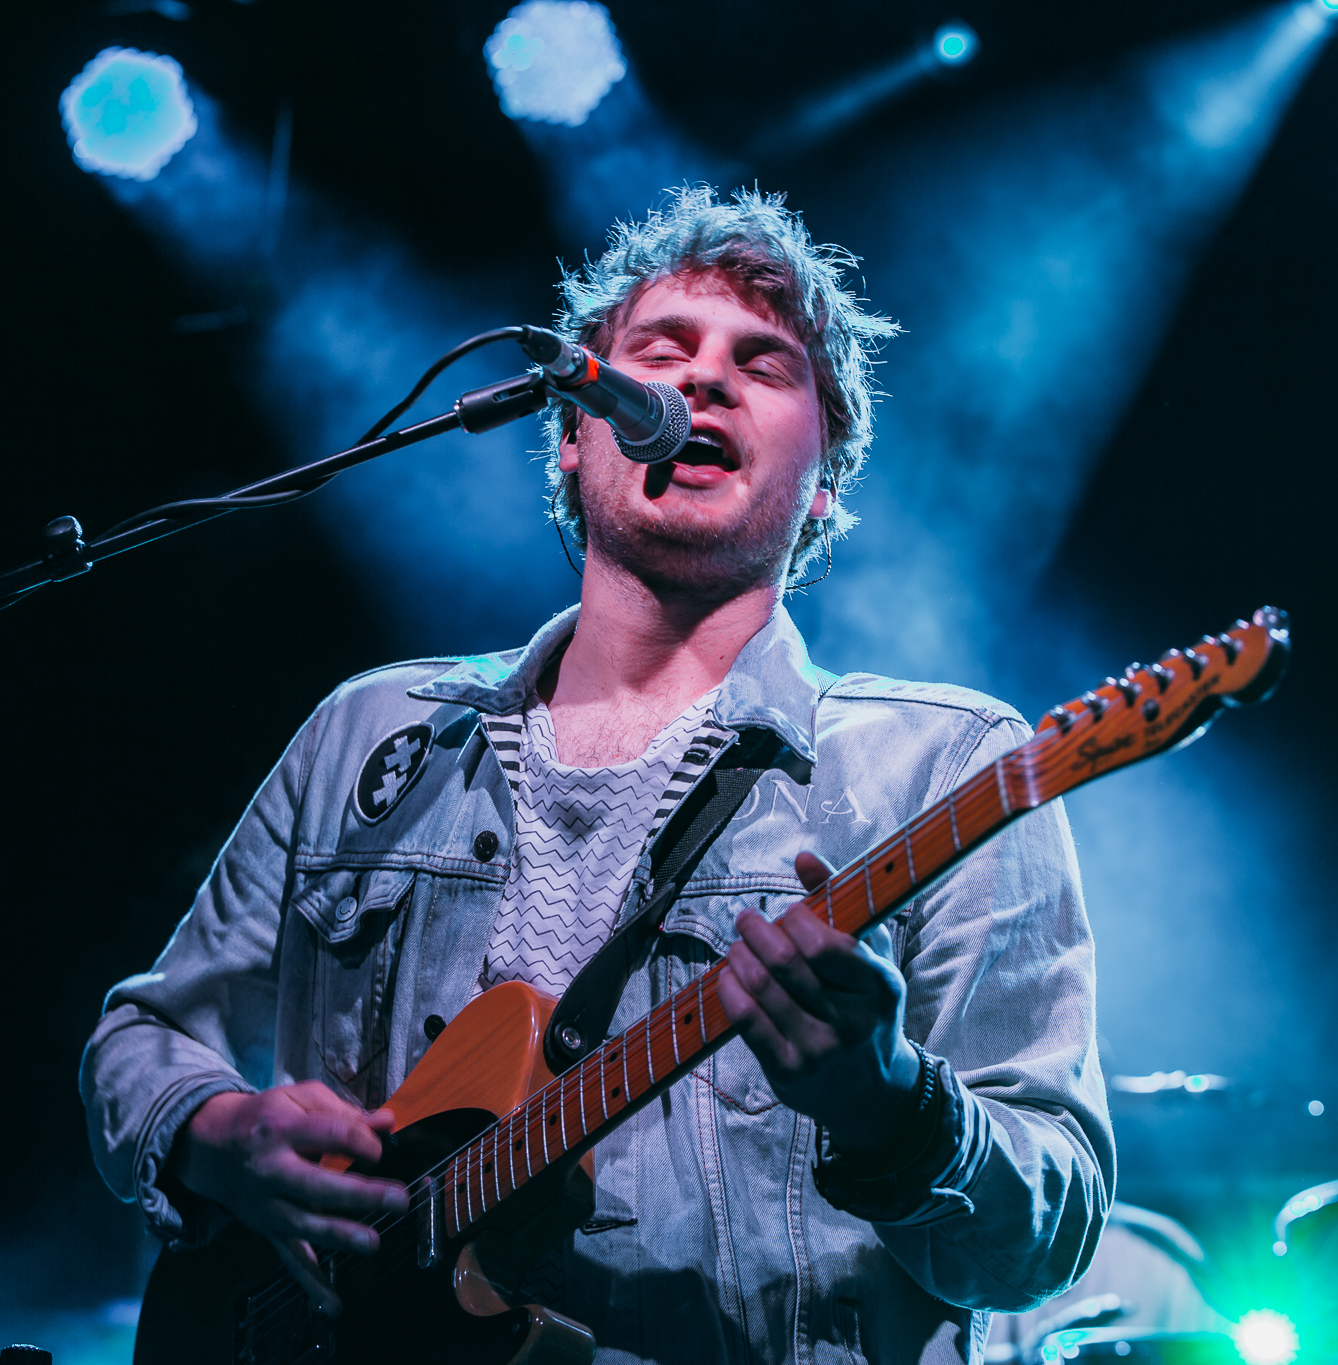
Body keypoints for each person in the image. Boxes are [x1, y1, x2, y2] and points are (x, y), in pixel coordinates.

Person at [81, 186, 1112, 1365]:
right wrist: (210, 1132)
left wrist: (888, 1105)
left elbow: (1045, 1234)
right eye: (660, 353)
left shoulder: (945, 768)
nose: (703, 380)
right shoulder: (368, 733)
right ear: (574, 436)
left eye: (762, 366)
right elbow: (142, 1033)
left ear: (824, 482)